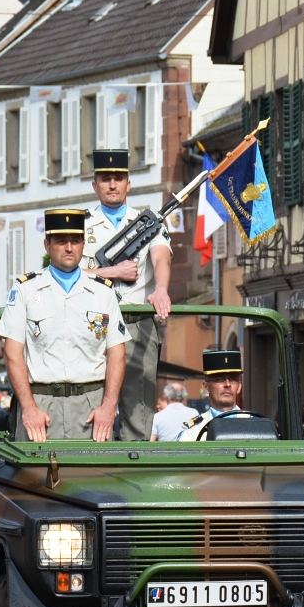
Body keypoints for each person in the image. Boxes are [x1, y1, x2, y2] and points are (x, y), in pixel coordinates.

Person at [0, 208, 130, 443]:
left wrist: (109, 406)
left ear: (83, 245)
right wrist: (28, 409)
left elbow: (117, 354)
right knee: (34, 479)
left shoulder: (102, 291)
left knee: (93, 477)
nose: (69, 248)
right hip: (41, 403)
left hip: (91, 404)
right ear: (47, 245)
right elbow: (12, 354)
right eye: (61, 241)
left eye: (76, 241)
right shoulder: (25, 289)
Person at [82, 149, 172, 442]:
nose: (112, 184)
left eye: (118, 179)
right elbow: (66, 272)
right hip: (94, 322)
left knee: (139, 410)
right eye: (105, 179)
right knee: (95, 404)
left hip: (137, 320)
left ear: (128, 184)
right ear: (95, 185)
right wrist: (113, 272)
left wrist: (160, 289)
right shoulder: (81, 225)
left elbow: (161, 257)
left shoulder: (147, 222)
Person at [178, 350, 245, 441]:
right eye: (220, 379)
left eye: (233, 379)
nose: (227, 384)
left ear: (239, 386)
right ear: (206, 387)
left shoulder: (255, 425)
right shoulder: (193, 430)